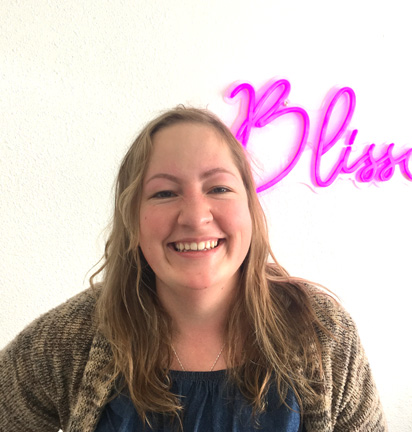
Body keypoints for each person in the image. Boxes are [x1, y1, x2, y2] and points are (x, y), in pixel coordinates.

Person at [0, 107, 386, 431]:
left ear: (250, 208)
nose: (196, 217)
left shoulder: (323, 331)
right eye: (164, 193)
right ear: (132, 219)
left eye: (218, 188)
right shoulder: (72, 338)